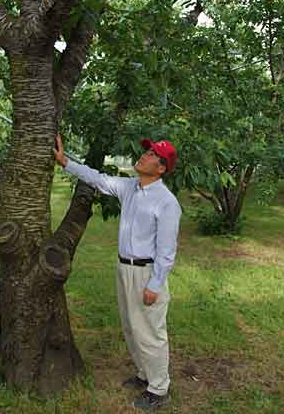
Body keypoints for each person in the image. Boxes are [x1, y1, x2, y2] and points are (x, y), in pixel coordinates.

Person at [54, 135, 182, 411]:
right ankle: (144, 374)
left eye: (151, 155)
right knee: (131, 327)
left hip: (146, 273)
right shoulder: (130, 187)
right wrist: (65, 162)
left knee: (150, 331)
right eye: (146, 151)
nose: (144, 156)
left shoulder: (167, 202)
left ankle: (159, 389)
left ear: (161, 168)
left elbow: (167, 251)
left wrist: (155, 284)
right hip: (124, 268)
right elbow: (98, 178)